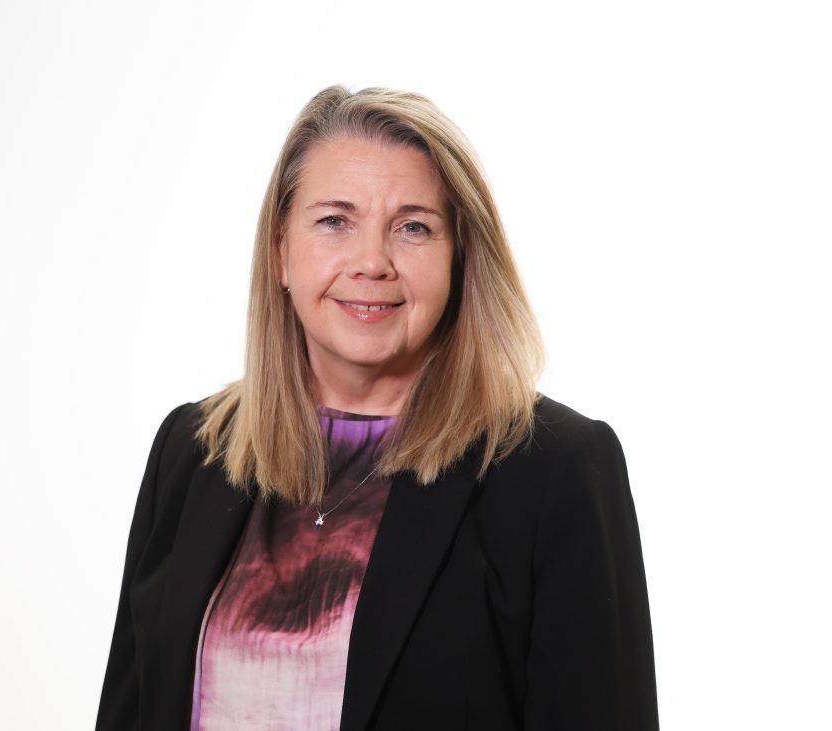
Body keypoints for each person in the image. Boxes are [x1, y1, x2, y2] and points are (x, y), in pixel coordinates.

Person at [95, 86, 659, 731]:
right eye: (335, 221)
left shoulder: (553, 469)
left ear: (459, 259)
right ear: (281, 251)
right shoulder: (193, 451)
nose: (372, 262)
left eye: (412, 228)